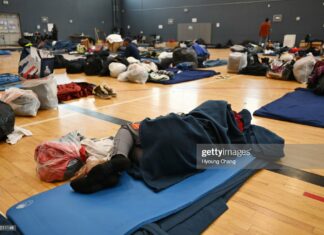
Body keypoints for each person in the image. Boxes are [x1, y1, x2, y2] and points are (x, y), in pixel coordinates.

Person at [70, 101, 285, 194]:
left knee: (129, 129)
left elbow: (194, 114)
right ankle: (125, 163)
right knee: (147, 156)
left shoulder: (216, 105)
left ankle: (117, 159)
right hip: (194, 155)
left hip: (182, 128)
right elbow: (276, 145)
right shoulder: (239, 144)